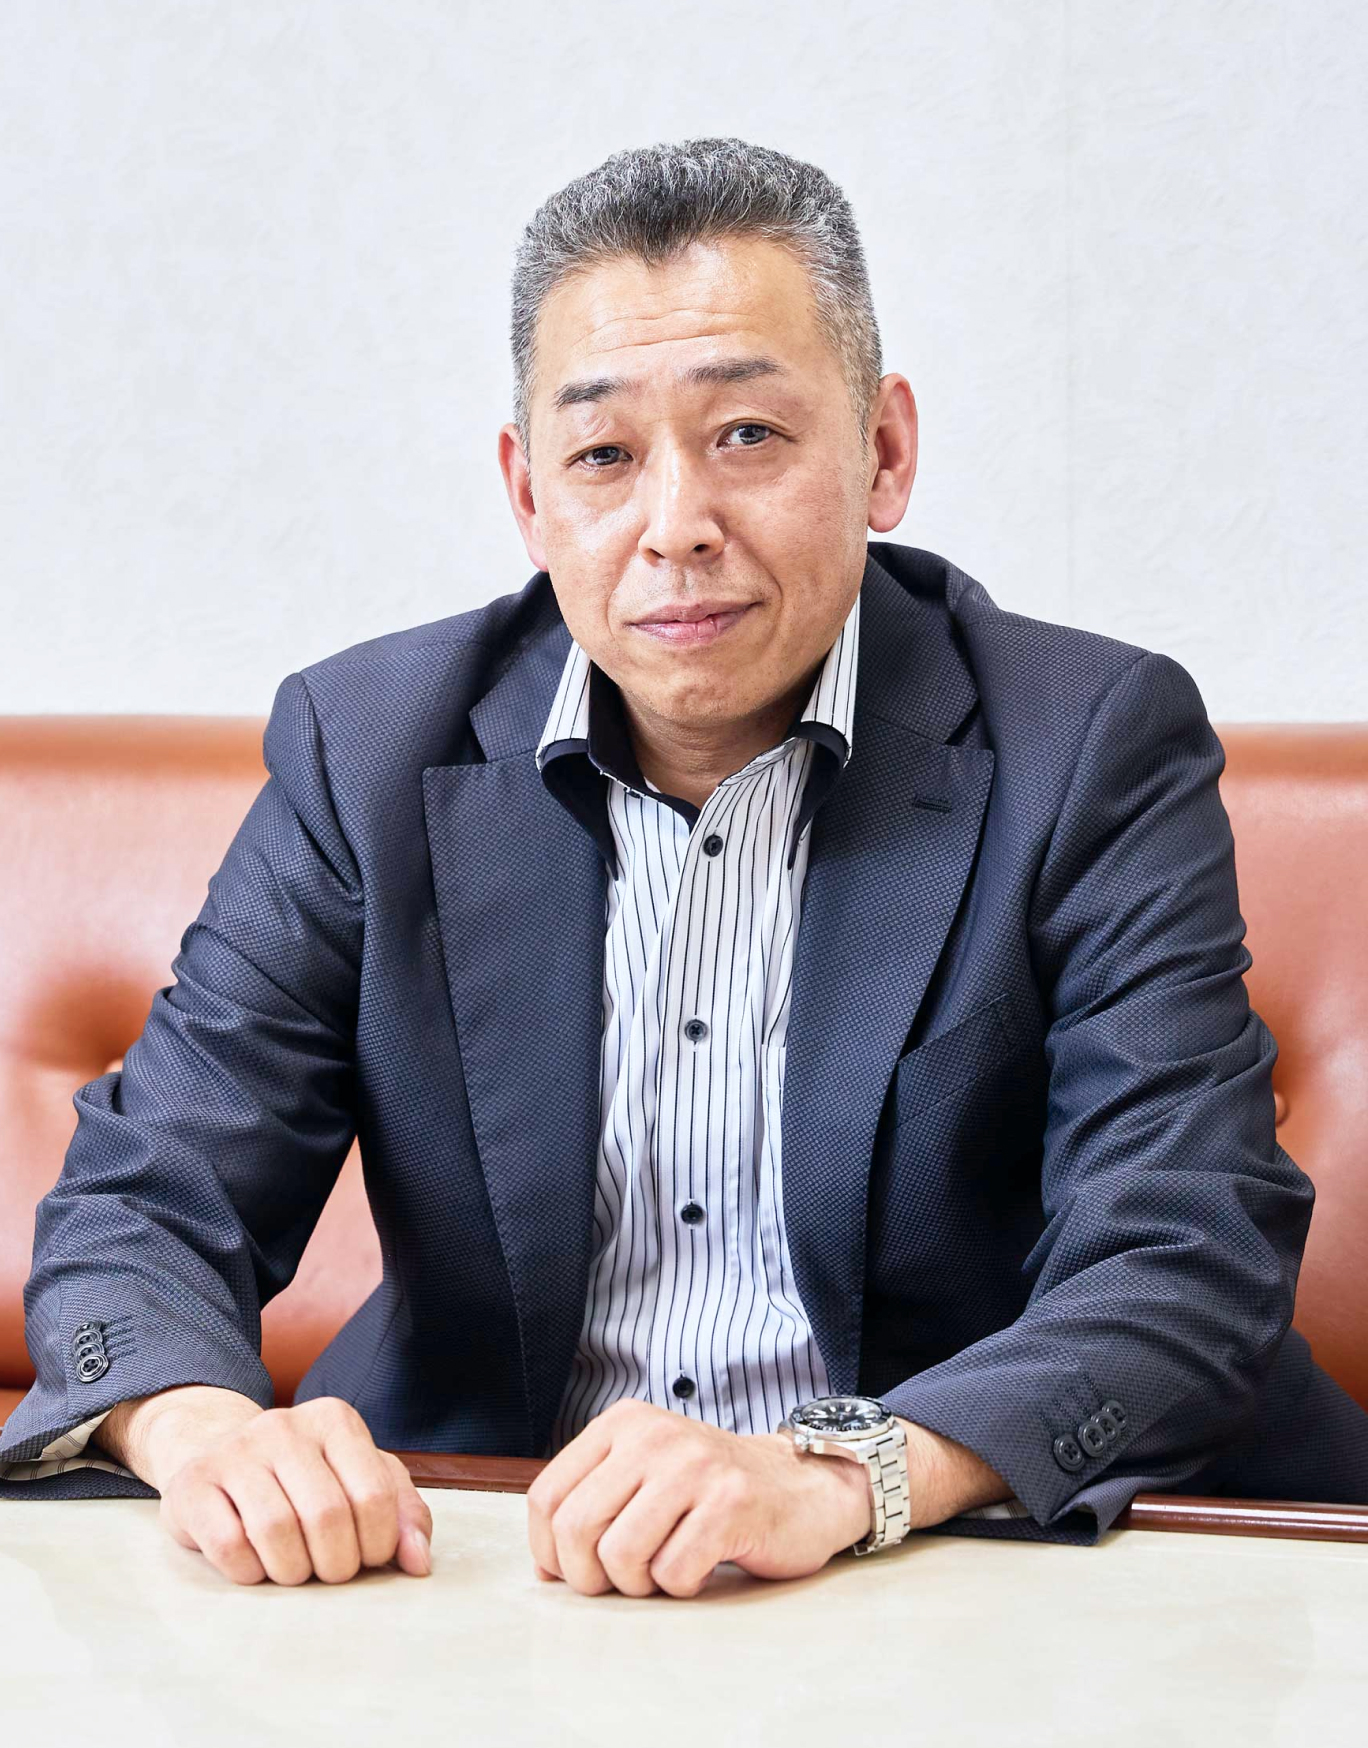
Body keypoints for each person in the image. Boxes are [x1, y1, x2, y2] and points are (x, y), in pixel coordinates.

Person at [3, 136, 1366, 1598]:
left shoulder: (1087, 743)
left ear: (885, 452)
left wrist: (840, 1474)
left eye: (749, 436)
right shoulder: (371, 749)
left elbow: (1183, 1254)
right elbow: (150, 1197)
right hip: (501, 1562)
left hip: (966, 1561)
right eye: (603, 455)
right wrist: (205, 1430)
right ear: (529, 494)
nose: (676, 529)